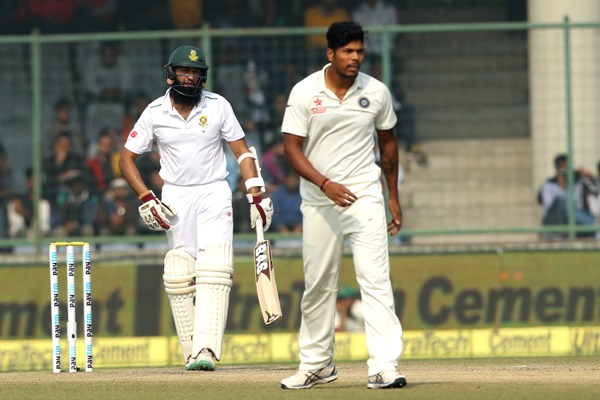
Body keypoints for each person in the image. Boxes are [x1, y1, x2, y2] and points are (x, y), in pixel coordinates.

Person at [119, 45, 273, 371]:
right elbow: (126, 158)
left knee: (214, 265)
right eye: (184, 72)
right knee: (178, 271)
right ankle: (190, 351)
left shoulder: (218, 106)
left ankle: (207, 350)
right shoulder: (154, 112)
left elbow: (243, 152)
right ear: (170, 74)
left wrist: (256, 194)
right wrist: (147, 197)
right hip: (175, 196)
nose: (189, 78)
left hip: (214, 191)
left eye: (196, 73)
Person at [280, 21, 407, 390]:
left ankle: (384, 366)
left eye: (360, 51)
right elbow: (291, 149)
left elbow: (389, 146)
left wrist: (393, 196)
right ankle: (317, 364)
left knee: (376, 280)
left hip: (365, 195)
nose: (355, 58)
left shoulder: (377, 92)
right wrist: (324, 183)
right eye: (348, 52)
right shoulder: (305, 91)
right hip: (319, 199)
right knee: (318, 283)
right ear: (330, 53)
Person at [538, 154, 599, 239]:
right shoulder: (548, 185)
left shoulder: (576, 182)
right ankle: (559, 234)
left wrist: (590, 176)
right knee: (560, 201)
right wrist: (562, 189)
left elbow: (578, 204)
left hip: (573, 216)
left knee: (588, 219)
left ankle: (593, 235)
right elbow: (551, 207)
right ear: (557, 169)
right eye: (563, 168)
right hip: (554, 218)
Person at [7, 167, 51, 239]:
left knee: (43, 205)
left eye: (34, 179)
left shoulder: (46, 196)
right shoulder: (21, 198)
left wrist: (24, 212)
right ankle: (18, 232)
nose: (31, 182)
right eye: (30, 179)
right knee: (13, 204)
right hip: (23, 235)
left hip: (37, 233)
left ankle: (42, 232)